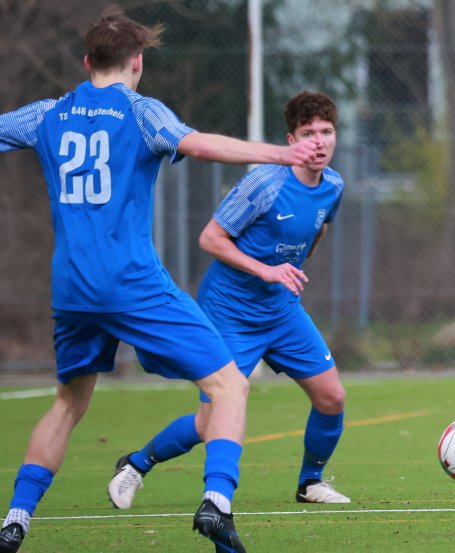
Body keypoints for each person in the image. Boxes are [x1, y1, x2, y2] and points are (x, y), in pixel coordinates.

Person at [0, 6, 316, 553]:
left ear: (86, 61)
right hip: (129, 282)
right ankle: (217, 504)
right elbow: (196, 144)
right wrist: (281, 152)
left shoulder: (47, 114)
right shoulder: (141, 113)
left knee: (68, 403)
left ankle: (15, 519)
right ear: (137, 63)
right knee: (228, 385)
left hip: (71, 288)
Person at [107, 91, 350, 510]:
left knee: (332, 397)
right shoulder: (264, 184)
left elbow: (318, 228)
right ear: (291, 139)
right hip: (230, 313)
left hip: (281, 310)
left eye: (327, 132)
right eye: (308, 133)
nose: (319, 142)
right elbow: (210, 239)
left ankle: (309, 483)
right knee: (211, 420)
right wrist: (267, 269)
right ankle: (135, 464)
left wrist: (286, 269)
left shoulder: (333, 185)